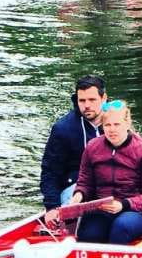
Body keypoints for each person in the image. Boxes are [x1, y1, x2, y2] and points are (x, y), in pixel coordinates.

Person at [53, 100, 142, 245]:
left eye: (117, 124)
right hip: (102, 208)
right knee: (89, 233)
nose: (112, 130)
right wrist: (78, 195)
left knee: (121, 227)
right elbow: (85, 182)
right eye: (107, 125)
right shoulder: (93, 147)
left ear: (127, 124)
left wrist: (124, 204)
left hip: (135, 210)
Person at [39, 76, 107, 211]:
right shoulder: (63, 129)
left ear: (103, 98)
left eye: (92, 100)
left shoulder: (117, 121)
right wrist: (52, 208)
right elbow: (50, 172)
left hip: (113, 182)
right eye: (82, 100)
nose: (87, 105)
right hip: (74, 186)